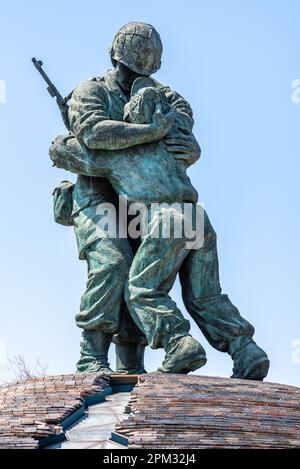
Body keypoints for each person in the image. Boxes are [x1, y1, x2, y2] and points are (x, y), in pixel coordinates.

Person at [50, 22, 270, 379]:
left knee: (142, 287)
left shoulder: (165, 101)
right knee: (114, 265)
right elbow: (90, 133)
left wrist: (177, 142)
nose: (135, 78)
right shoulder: (93, 90)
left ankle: (178, 343)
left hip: (151, 208)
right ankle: (241, 346)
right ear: (114, 61)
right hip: (108, 199)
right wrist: (152, 133)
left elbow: (77, 147)